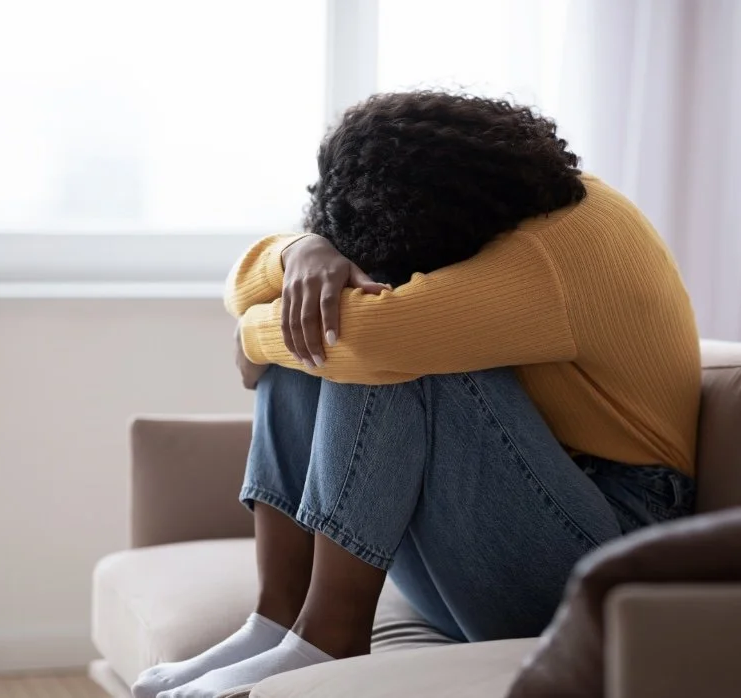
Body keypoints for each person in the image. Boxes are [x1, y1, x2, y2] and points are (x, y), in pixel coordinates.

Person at [132, 91, 700, 698]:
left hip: (605, 552)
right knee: (315, 316)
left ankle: (329, 638)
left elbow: (377, 339)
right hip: (503, 534)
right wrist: (302, 251)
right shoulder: (500, 206)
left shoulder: (559, 247)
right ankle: (274, 621)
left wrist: (250, 338)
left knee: (380, 344)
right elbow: (244, 283)